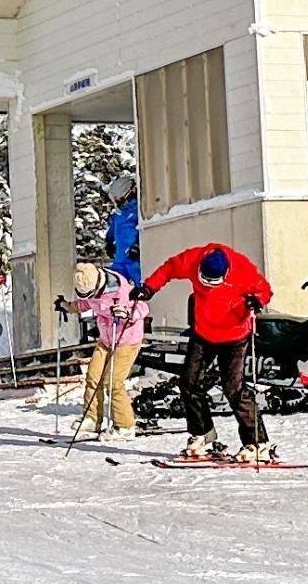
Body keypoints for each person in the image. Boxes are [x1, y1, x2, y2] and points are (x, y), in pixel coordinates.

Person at [136, 239, 273, 458]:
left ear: (226, 274)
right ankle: (202, 433)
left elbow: (264, 290)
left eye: (213, 282)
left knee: (233, 388)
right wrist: (150, 287)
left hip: (234, 335)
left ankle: (256, 443)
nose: (208, 285)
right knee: (188, 382)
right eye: (204, 280)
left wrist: (256, 300)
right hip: (204, 333)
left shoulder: (242, 268)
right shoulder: (194, 258)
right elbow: (169, 268)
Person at [62, 259, 146, 439]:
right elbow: (84, 303)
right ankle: (92, 419)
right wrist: (67, 306)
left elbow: (142, 307)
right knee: (93, 377)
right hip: (106, 339)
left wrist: (126, 313)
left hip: (126, 339)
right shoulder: (91, 287)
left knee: (113, 382)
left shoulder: (120, 288)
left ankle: (125, 426)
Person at [106, 173, 141, 287]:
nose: (117, 202)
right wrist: (109, 240)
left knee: (140, 287)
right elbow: (115, 226)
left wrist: (137, 245)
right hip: (120, 258)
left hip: (133, 259)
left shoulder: (138, 210)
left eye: (119, 199)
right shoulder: (120, 212)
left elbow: (144, 229)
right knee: (115, 287)